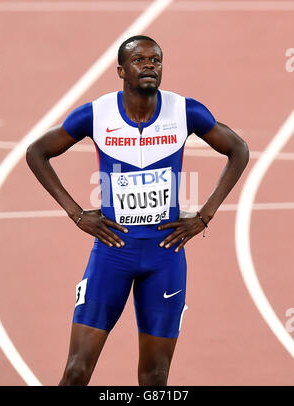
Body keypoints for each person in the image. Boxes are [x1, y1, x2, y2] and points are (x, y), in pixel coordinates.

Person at [26, 35, 249, 386]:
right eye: (139, 60)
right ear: (121, 70)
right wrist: (77, 214)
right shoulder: (96, 114)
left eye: (156, 60)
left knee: (154, 378)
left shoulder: (184, 111)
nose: (149, 66)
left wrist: (205, 216)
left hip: (165, 256)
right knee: (76, 372)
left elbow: (238, 149)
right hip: (112, 253)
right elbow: (37, 152)